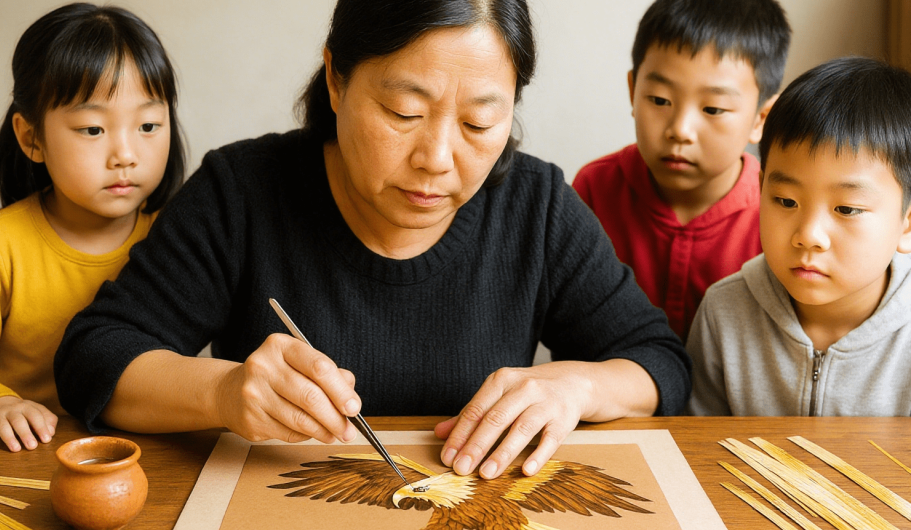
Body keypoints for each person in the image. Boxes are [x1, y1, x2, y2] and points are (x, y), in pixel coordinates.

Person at [55, 0, 690, 479]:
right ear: (335, 78)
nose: (437, 158)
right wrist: (222, 392)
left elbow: (658, 364)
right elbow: (95, 356)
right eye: (403, 114)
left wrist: (577, 387)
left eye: (480, 119)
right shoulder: (242, 191)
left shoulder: (536, 205)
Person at [0, 2, 185, 451]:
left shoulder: (176, 239)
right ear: (32, 138)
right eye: (92, 129)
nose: (125, 154)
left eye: (148, 125)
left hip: (143, 450)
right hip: (28, 453)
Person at [686, 57, 911, 416]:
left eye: (847, 209)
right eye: (786, 201)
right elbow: (696, 448)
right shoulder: (725, 312)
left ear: (907, 222)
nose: (808, 235)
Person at [572, 0, 791, 341]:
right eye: (659, 100)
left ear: (760, 118)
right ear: (633, 91)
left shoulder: (777, 211)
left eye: (713, 108)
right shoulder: (595, 189)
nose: (680, 129)